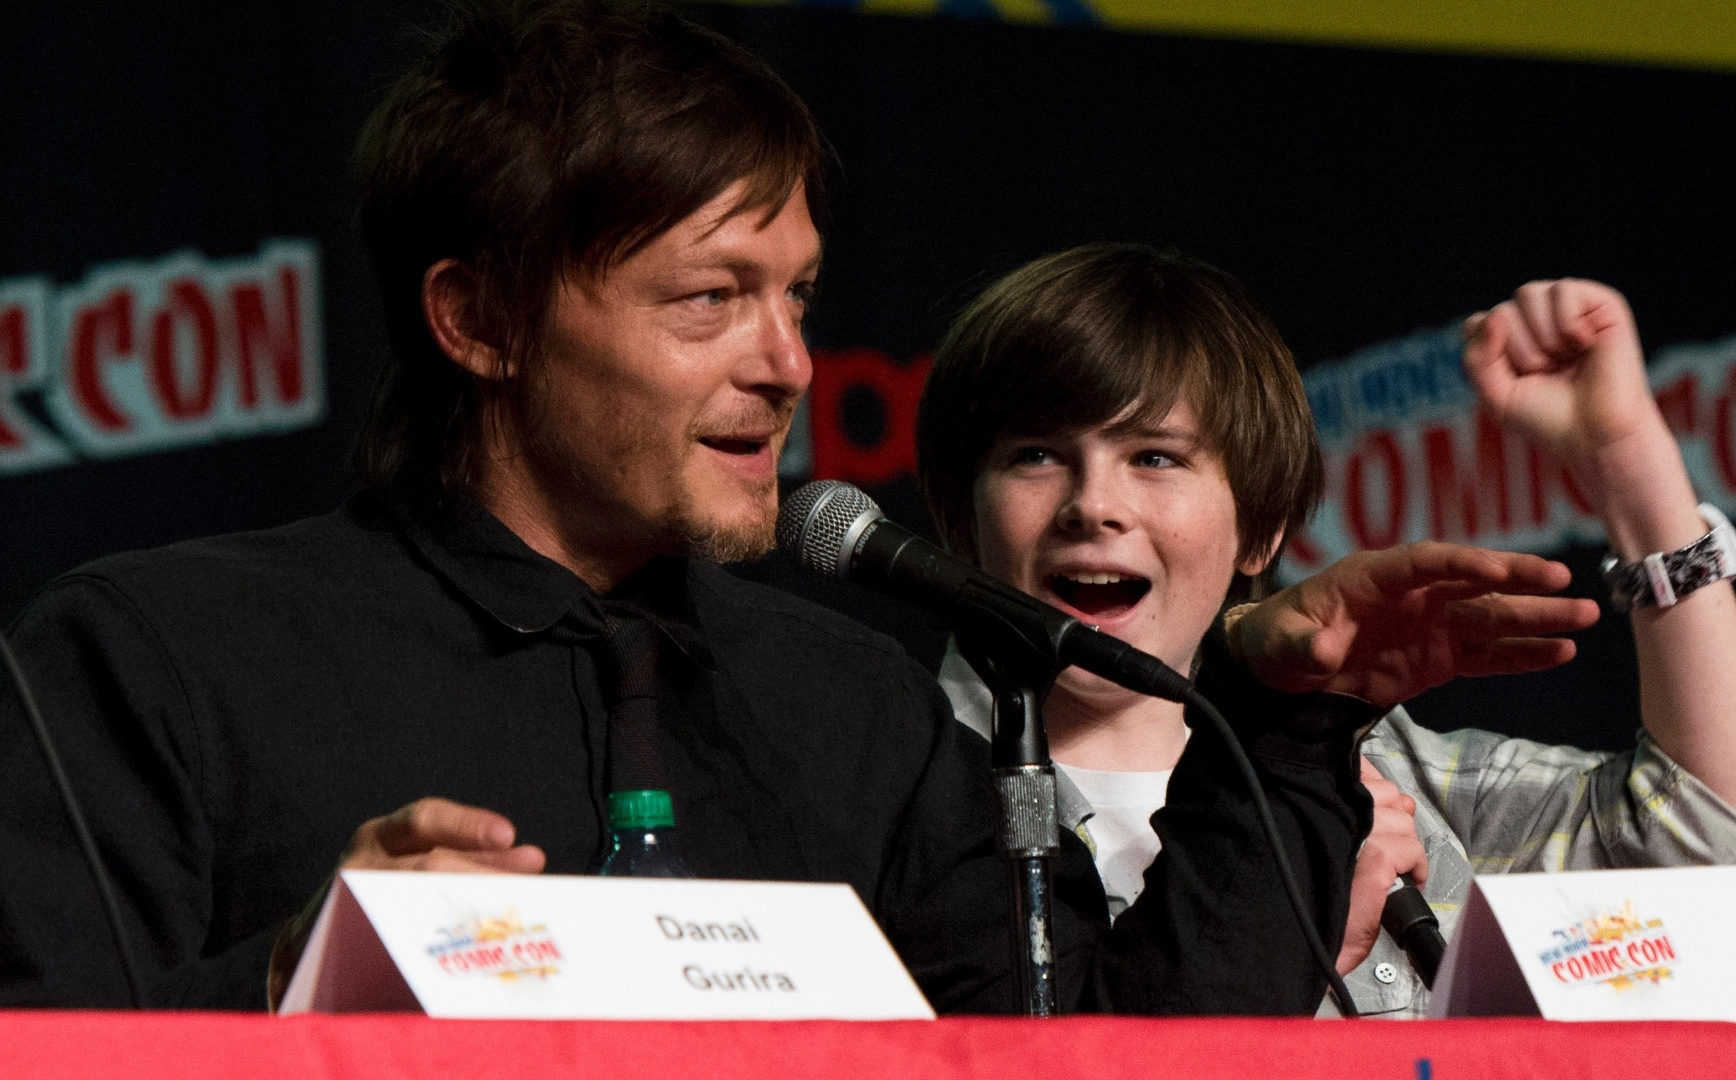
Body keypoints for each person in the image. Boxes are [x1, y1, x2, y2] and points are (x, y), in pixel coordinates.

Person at [0, 2, 1371, 1014]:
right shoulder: (150, 658)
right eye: (711, 298)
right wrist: (298, 983)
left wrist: (1296, 715)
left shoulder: (857, 711)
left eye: (798, 299)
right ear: (478, 319)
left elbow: (1128, 1054)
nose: (784, 364)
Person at [917, 245, 1736, 1019]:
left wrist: (1629, 463)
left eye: (1155, 457)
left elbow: (1734, 884)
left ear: (1260, 526)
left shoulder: (1393, 780)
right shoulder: (888, 794)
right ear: (961, 516)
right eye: (1036, 455)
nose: (1094, 506)